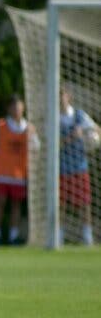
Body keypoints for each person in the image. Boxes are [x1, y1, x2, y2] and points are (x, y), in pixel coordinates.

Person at [0, 94, 39, 244]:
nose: (17, 110)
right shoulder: (0, 126)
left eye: (19, 107)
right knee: (1, 202)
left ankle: (13, 236)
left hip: (19, 174)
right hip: (2, 172)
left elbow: (36, 148)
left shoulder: (28, 128)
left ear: (23, 108)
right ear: (9, 109)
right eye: (14, 107)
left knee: (16, 204)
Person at [59, 87, 100, 246]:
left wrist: (85, 132)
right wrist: (71, 137)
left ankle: (87, 236)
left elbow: (97, 130)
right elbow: (54, 144)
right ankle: (59, 236)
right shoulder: (55, 118)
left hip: (79, 165)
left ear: (69, 96)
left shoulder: (79, 115)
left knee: (85, 203)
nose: (61, 98)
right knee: (61, 204)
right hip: (62, 167)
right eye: (58, 95)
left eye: (63, 95)